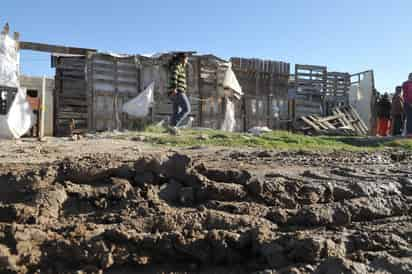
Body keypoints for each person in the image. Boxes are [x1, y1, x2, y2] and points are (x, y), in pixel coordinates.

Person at [167, 53, 191, 134]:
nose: (187, 61)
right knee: (186, 109)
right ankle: (173, 125)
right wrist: (174, 88)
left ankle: (172, 130)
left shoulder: (177, 65)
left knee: (176, 111)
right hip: (177, 91)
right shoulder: (178, 65)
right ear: (182, 58)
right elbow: (174, 75)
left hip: (175, 91)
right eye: (187, 59)